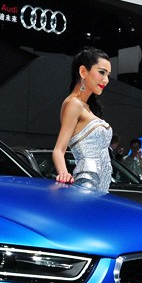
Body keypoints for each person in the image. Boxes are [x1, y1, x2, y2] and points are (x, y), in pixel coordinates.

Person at [52, 47, 113, 193]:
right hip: (88, 182)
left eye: (108, 75)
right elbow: (58, 150)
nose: (106, 80)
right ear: (83, 72)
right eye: (102, 72)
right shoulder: (73, 104)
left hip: (101, 186)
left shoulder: (87, 107)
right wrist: (64, 173)